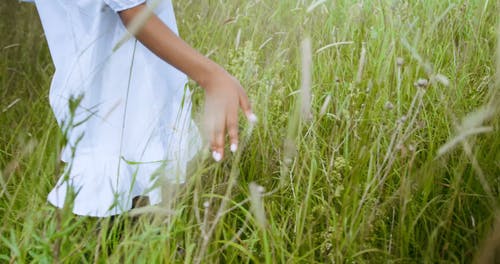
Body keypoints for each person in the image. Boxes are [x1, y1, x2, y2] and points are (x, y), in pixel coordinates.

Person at [25, 0, 256, 217]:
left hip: (121, 86)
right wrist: (212, 77)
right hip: (114, 96)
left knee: (135, 191)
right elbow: (133, 12)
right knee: (114, 194)